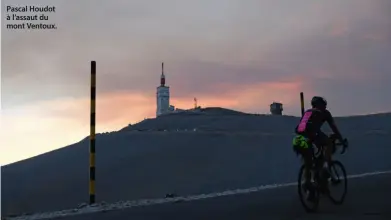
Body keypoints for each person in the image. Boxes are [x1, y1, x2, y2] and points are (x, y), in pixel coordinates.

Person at [293, 96, 346, 200]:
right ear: (321, 105)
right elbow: (334, 128)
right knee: (328, 143)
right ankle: (326, 167)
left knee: (309, 162)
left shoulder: (308, 112)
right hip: (313, 135)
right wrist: (341, 140)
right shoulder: (325, 113)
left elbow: (299, 128)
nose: (325, 107)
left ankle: (310, 187)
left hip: (299, 139)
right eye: (324, 105)